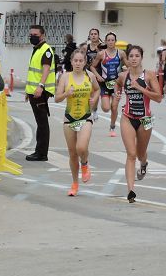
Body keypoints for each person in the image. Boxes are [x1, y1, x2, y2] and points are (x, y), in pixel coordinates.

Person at [116, 45, 161, 203]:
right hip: (127, 117)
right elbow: (117, 85)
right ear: (127, 59)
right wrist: (116, 96)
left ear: (141, 58)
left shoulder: (149, 75)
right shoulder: (123, 75)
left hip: (144, 119)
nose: (134, 58)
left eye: (137, 56)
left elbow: (158, 97)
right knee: (131, 154)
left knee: (140, 154)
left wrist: (141, 88)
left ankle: (144, 163)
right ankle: (130, 191)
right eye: (131, 56)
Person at [54, 47, 99, 196]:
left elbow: (98, 90)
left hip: (85, 116)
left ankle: (85, 163)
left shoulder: (90, 76)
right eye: (75, 60)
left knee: (81, 148)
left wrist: (94, 99)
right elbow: (57, 98)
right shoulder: (65, 77)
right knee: (73, 153)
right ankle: (74, 183)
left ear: (85, 62)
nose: (78, 63)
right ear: (71, 62)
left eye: (81, 60)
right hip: (69, 118)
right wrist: (67, 93)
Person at [25, 24, 55, 162]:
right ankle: (39, 151)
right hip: (34, 91)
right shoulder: (37, 49)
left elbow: (46, 69)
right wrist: (28, 91)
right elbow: (33, 73)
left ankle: (41, 153)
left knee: (42, 123)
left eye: (35, 35)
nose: (32, 37)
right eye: (31, 35)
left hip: (40, 92)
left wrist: (40, 87)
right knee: (40, 122)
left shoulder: (45, 50)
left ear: (42, 35)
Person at [91, 31, 125, 137]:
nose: (110, 42)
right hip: (105, 84)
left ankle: (112, 127)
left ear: (115, 41)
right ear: (105, 41)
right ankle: (99, 106)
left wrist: (125, 72)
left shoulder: (121, 53)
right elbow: (92, 66)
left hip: (116, 84)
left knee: (114, 107)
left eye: (112, 40)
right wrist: (98, 76)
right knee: (106, 108)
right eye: (108, 40)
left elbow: (128, 65)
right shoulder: (101, 54)